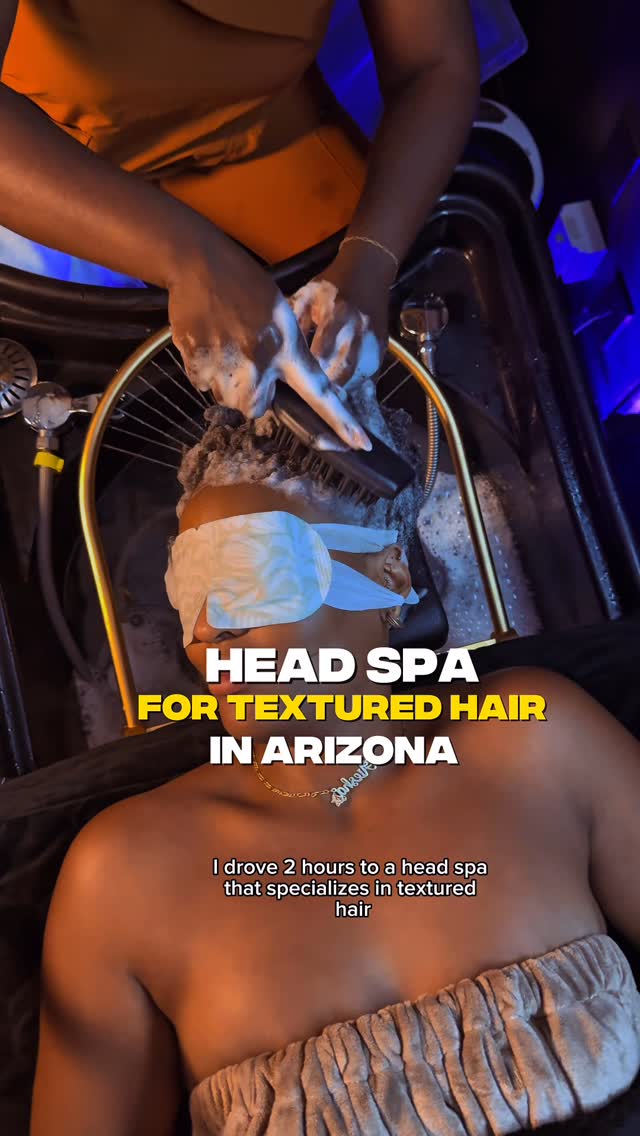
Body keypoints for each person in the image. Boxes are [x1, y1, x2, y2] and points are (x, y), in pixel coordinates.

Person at [29, 380, 640, 1135]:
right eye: (190, 590)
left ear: (389, 576)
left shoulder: (539, 742)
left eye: (250, 577)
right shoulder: (122, 874)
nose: (208, 630)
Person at [0, 1, 480, 442]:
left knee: (396, 376)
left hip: (267, 130)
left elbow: (433, 63)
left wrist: (373, 256)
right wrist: (190, 259)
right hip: (59, 163)